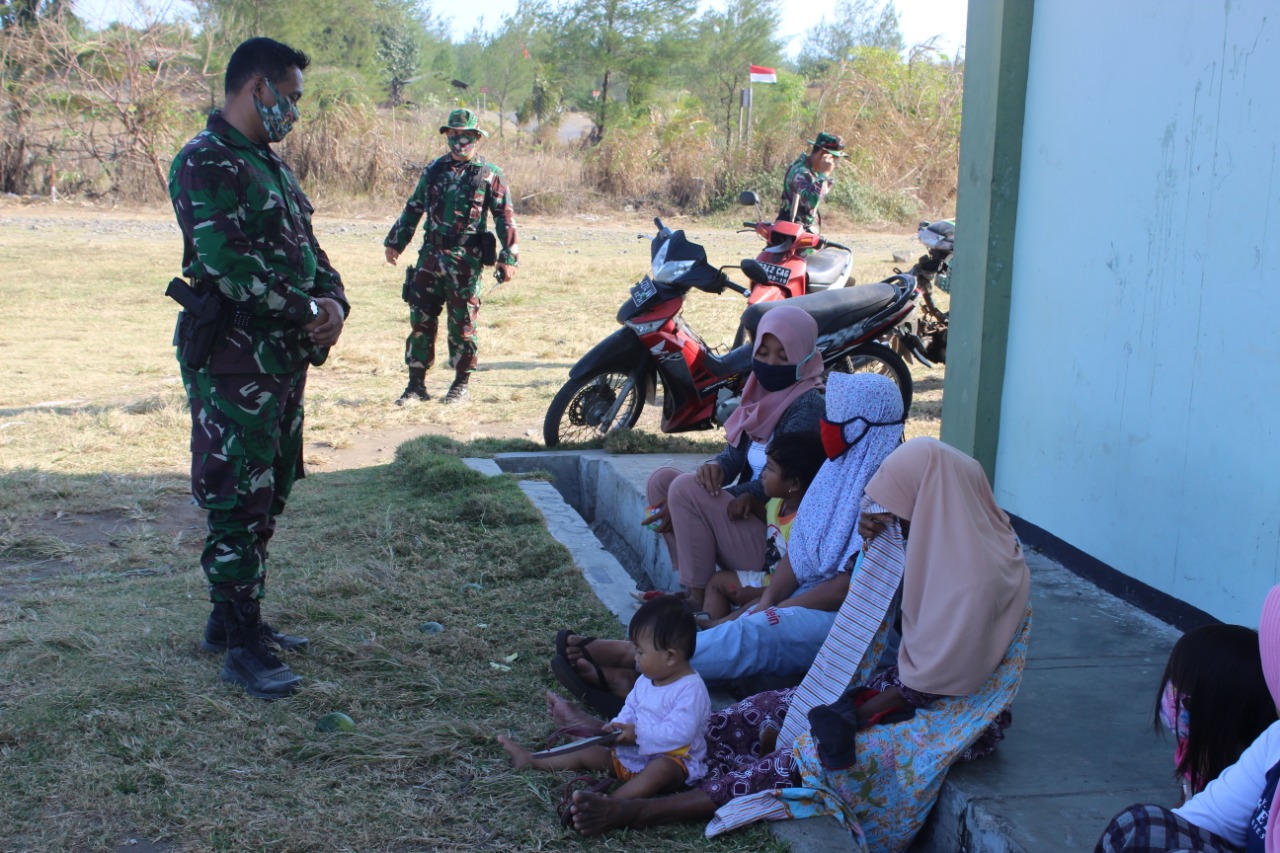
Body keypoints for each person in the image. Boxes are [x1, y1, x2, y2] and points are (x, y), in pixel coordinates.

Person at [547, 437, 1032, 848]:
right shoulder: (944, 535)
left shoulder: (977, 578)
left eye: (899, 512)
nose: (891, 522)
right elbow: (872, 603)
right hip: (899, 687)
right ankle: (614, 737)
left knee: (807, 749)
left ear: (933, 505)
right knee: (762, 709)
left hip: (951, 714)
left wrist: (846, 711)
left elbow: (933, 689)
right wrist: (874, 542)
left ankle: (641, 813)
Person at [553, 371, 904, 715]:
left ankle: (633, 659)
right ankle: (636, 675)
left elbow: (848, 589)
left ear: (866, 424)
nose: (827, 423)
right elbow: (798, 556)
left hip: (864, 625)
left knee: (760, 630)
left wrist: (775, 610)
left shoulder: (895, 494)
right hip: (814, 595)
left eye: (838, 417)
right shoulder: (838, 472)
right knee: (754, 615)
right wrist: (769, 599)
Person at [169, 37, 349, 699]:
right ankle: (241, 640)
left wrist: (335, 301)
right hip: (232, 361)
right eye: (291, 98)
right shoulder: (204, 161)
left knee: (268, 492)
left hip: (280, 361)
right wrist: (309, 307)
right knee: (236, 500)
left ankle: (231, 619)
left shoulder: (271, 166)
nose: (294, 113)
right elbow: (229, 267)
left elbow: (310, 248)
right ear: (258, 89)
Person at [644, 304, 825, 610]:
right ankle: (686, 581)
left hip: (771, 533)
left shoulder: (806, 405)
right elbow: (732, 459)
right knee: (662, 481)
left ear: (805, 358)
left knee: (683, 491)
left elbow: (779, 482)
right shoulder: (758, 392)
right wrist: (713, 468)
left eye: (783, 356)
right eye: (763, 352)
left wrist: (699, 501)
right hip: (739, 516)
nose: (769, 363)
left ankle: (696, 599)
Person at [1095, 586, 1280, 853]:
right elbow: (1190, 822)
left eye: (1186, 697)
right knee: (1138, 825)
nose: (1171, 697)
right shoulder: (1273, 740)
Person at [501, 598, 710, 806]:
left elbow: (679, 734)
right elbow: (631, 707)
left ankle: (613, 801)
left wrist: (637, 733)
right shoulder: (648, 680)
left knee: (661, 769)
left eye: (640, 651)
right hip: (633, 754)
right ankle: (532, 760)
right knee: (588, 752)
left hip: (675, 761)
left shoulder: (691, 689)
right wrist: (617, 726)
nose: (635, 658)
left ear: (670, 656)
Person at [383, 108, 518, 405]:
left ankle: (460, 385)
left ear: (477, 138)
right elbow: (413, 208)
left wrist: (508, 257)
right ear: (447, 136)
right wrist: (395, 242)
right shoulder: (433, 170)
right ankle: (416, 386)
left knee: (463, 324)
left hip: (465, 261)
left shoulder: (489, 175)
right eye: (455, 135)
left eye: (467, 136)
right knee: (421, 320)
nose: (460, 142)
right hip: (430, 257)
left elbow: (504, 217)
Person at [698, 430, 827, 627]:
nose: (763, 474)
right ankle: (712, 621)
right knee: (717, 582)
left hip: (788, 588)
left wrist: (763, 592)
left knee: (756, 603)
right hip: (767, 578)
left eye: (770, 469)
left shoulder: (805, 522)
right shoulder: (776, 503)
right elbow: (768, 518)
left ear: (794, 483)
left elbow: (800, 574)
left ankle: (716, 627)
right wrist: (748, 500)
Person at [1154, 624, 1276, 804]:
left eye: (1181, 689)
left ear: (1222, 709)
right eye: (1172, 678)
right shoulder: (1193, 748)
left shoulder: (1250, 781)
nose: (1171, 695)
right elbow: (1183, 807)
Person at [778, 131, 846, 231]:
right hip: (792, 235)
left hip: (802, 232)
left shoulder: (810, 170)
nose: (835, 164)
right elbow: (810, 202)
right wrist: (824, 174)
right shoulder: (801, 172)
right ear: (822, 154)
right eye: (834, 159)